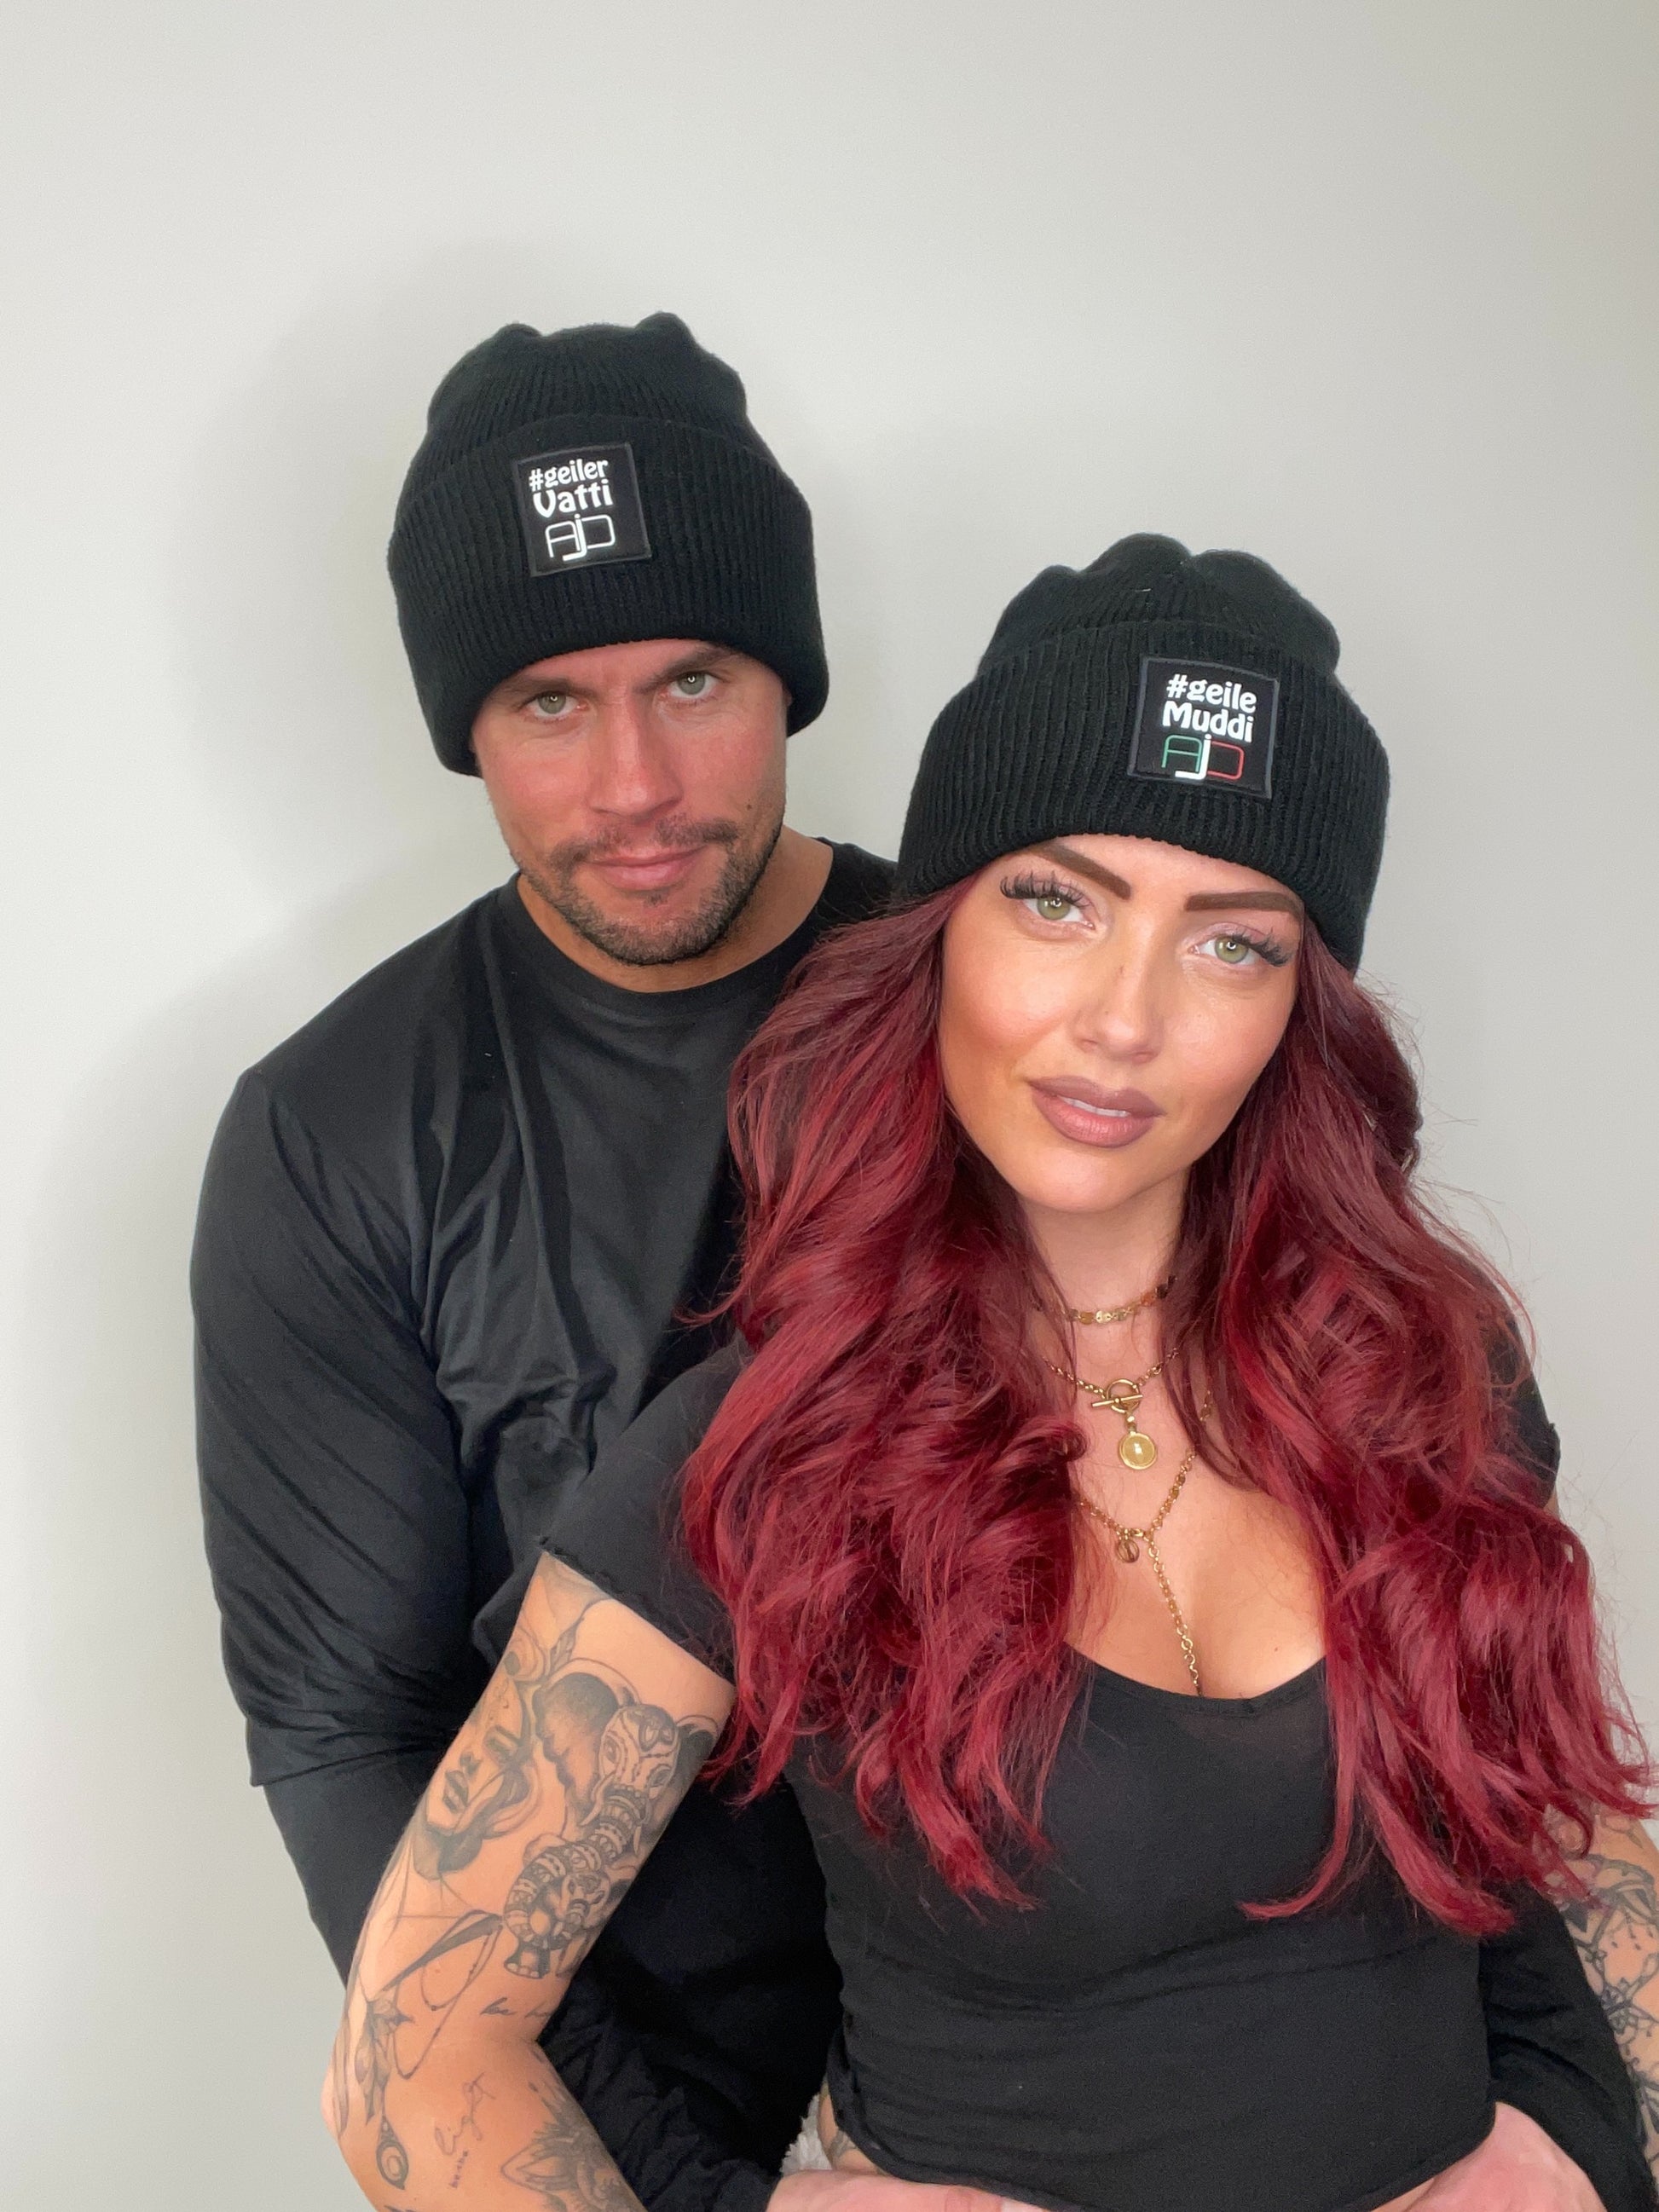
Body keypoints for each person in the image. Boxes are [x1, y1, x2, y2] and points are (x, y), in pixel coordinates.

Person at [326, 537, 1659, 2212]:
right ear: (939, 932)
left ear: (1296, 1008)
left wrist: (1583, 2145)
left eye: (1231, 942)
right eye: (1057, 901)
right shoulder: (772, 1444)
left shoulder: (1422, 1368)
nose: (1123, 1017)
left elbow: (1553, 1831)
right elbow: (410, 2062)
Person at [194, 315, 899, 2212]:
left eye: (693, 678)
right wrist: (686, 2190)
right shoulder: (334, 1131)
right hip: (598, 2109)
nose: (637, 783)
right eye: (548, 704)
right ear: (466, 726)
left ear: (787, 674)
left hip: (1042, 2067)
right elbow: (352, 1739)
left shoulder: (1010, 1025)